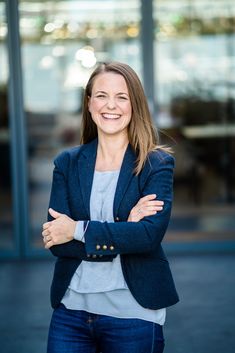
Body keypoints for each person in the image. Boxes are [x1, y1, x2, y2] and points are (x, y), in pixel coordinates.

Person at [42, 61, 179, 353]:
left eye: (122, 97)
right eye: (101, 95)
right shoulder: (67, 163)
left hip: (134, 314)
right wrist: (125, 229)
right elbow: (57, 242)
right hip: (71, 312)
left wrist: (77, 229)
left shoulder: (155, 164)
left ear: (135, 105)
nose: (110, 105)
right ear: (89, 103)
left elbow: (148, 237)